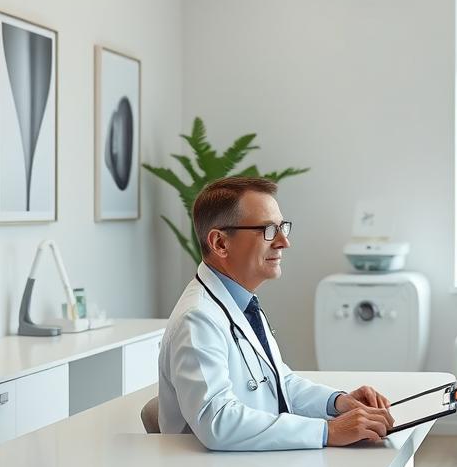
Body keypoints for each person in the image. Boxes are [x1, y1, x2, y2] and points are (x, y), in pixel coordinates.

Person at [158, 176, 395, 449]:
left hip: (257, 465)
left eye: (283, 228)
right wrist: (327, 431)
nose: (284, 242)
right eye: (268, 230)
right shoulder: (197, 319)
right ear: (220, 243)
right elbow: (217, 421)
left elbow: (280, 383)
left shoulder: (242, 303)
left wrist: (338, 403)